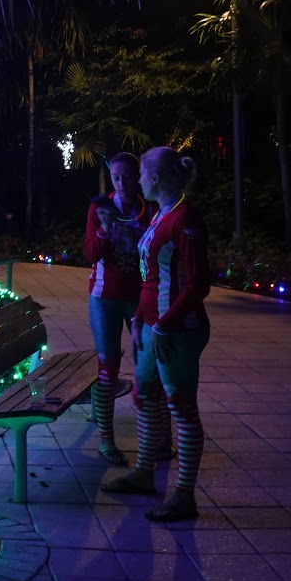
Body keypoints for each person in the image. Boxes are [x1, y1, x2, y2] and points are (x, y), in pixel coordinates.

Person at [102, 145, 212, 523]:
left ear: (156, 177)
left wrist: (164, 324)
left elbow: (198, 283)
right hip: (154, 326)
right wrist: (139, 317)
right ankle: (144, 472)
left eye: (141, 175)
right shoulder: (162, 213)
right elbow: (152, 275)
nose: (136, 181)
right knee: (144, 394)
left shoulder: (185, 217)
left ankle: (184, 495)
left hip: (177, 330)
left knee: (181, 407)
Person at [84, 151, 154, 465]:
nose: (121, 182)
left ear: (138, 176)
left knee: (147, 367)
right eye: (115, 177)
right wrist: (103, 229)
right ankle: (106, 440)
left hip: (139, 298)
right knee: (107, 368)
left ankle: (155, 437)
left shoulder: (148, 209)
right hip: (104, 297)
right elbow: (90, 254)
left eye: (127, 176)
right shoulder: (100, 208)